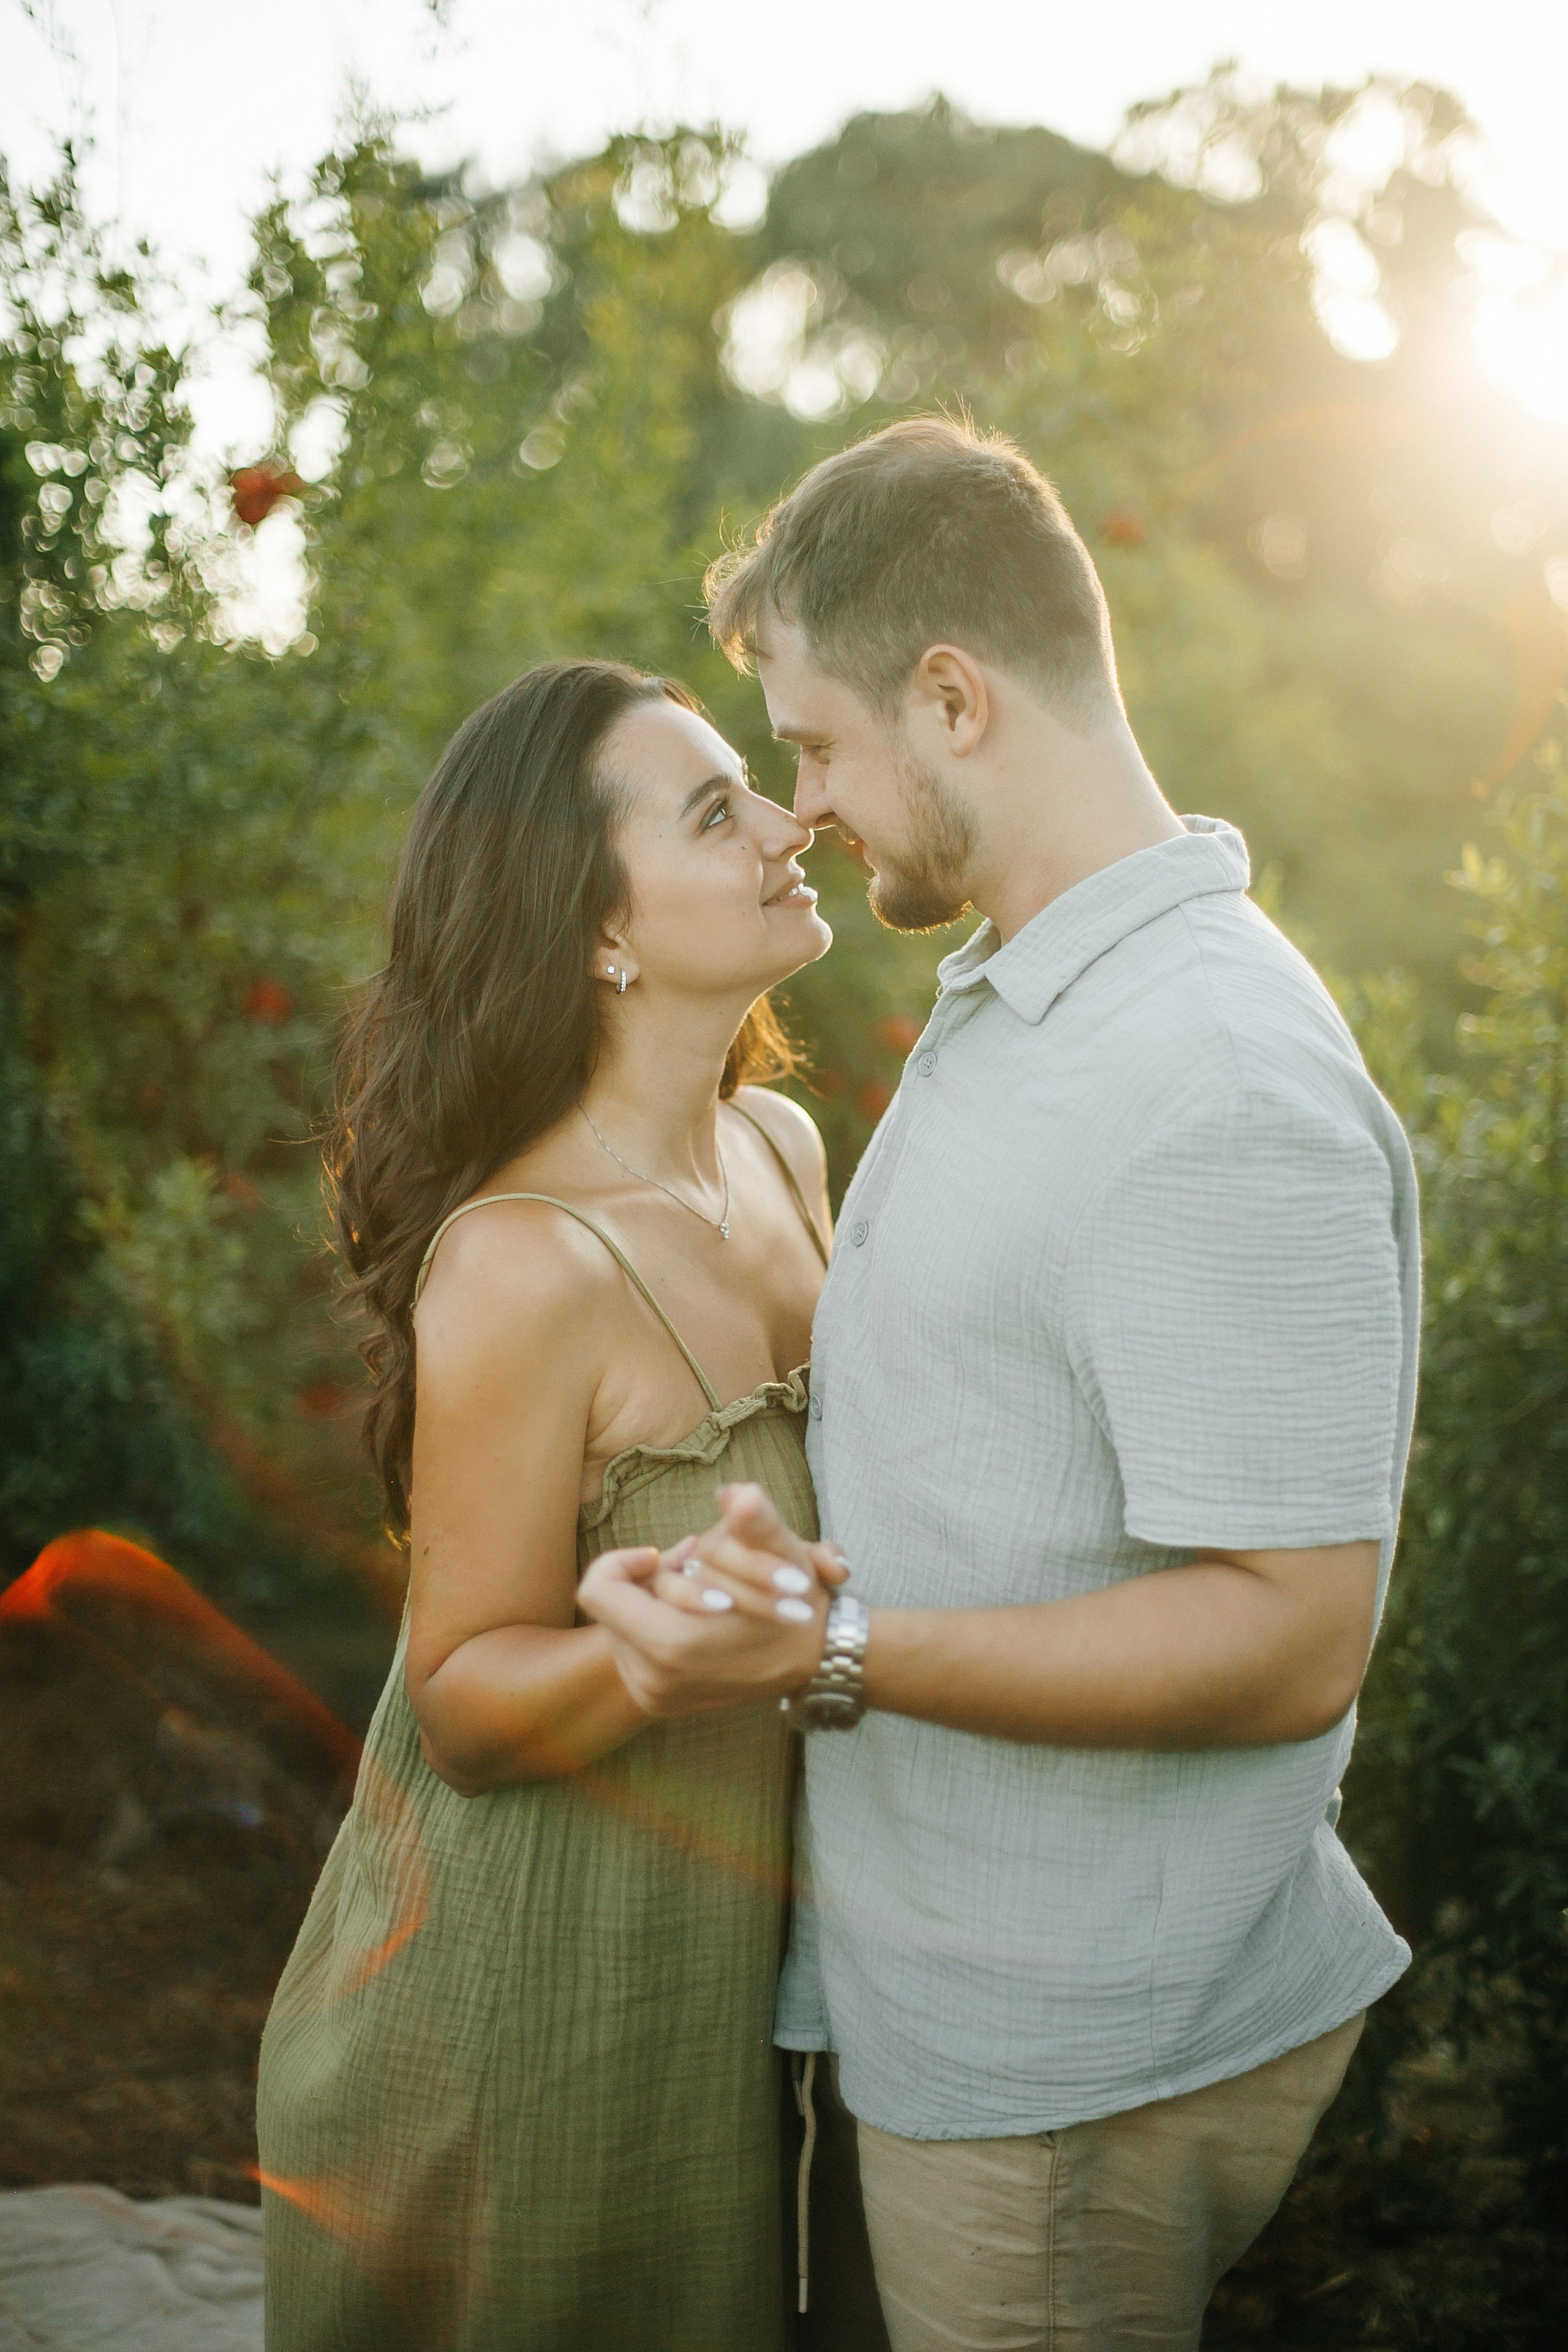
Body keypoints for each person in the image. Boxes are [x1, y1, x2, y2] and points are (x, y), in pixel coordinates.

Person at [581, 419, 1422, 2352]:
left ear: (950, 696)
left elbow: (1293, 1635)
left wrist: (830, 1647)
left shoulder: (1213, 1077)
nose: (799, 809)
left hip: (1065, 2068)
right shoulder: (1042, 985)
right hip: (955, 2012)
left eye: (811, 745)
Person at [257, 658, 858, 2350]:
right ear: (598, 933)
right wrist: (643, 1672)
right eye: (713, 810)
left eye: (761, 782)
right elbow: (458, 1701)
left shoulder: (785, 1155)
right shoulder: (524, 1265)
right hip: (523, 2010)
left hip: (727, 1980)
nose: (791, 820)